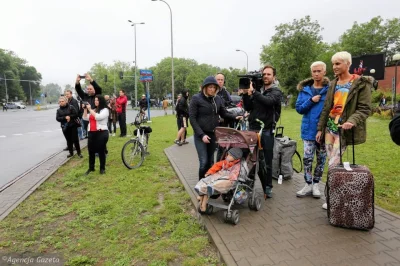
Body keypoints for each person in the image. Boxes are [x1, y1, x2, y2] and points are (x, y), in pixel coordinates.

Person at [316, 51, 372, 210]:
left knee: (334, 163)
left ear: (348, 64)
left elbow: (365, 108)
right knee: (332, 162)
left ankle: (333, 198)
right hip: (330, 129)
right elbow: (327, 107)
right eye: (333, 64)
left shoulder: (360, 83)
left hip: (343, 130)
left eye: (338, 63)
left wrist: (351, 121)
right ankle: (336, 196)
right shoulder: (333, 83)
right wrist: (320, 128)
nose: (334, 67)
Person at [241, 65, 282, 198]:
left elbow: (269, 102)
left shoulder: (275, 91)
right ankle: (249, 185)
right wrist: (246, 95)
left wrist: (254, 93)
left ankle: (268, 187)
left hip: (267, 131)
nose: (265, 76)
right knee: (251, 159)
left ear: (274, 77)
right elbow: (248, 107)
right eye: (264, 74)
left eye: (268, 74)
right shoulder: (257, 91)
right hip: (253, 129)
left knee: (267, 161)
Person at [189, 76, 242, 180]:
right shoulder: (196, 98)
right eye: (210, 87)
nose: (212, 89)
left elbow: (224, 113)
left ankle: (210, 183)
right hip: (201, 135)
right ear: (205, 87)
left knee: (211, 161)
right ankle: (201, 185)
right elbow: (192, 119)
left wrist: (235, 117)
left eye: (214, 87)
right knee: (204, 162)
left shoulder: (217, 99)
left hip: (213, 134)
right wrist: (201, 134)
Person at [295, 61, 329, 198]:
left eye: (319, 71)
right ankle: (308, 184)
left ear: (324, 72)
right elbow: (299, 109)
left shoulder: (330, 90)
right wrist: (311, 101)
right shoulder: (305, 90)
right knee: (307, 159)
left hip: (324, 132)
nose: (316, 74)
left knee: (321, 160)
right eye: (314, 71)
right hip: (308, 131)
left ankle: (316, 184)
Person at [194, 148, 242, 213]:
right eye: (228, 154)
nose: (227, 156)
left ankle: (207, 192)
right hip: (220, 176)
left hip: (228, 179)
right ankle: (201, 187)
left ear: (236, 158)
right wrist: (209, 172)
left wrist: (231, 176)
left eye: (230, 156)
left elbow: (234, 175)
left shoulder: (237, 166)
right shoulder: (225, 162)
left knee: (221, 182)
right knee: (209, 179)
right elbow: (216, 165)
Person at [82, 95, 109, 175]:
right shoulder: (93, 109)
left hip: (101, 132)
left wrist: (90, 109)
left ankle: (102, 168)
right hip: (91, 132)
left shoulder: (105, 110)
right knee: (91, 151)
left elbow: (98, 117)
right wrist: (85, 110)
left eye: (97, 100)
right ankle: (91, 168)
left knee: (101, 151)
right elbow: (85, 118)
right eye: (95, 100)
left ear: (101, 101)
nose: (96, 101)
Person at [75, 73, 102, 138]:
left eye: (91, 89)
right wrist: (77, 82)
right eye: (88, 89)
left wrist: (91, 80)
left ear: (94, 90)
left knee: (97, 135)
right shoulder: (85, 96)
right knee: (89, 135)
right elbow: (78, 90)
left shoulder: (97, 95)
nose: (89, 90)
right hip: (86, 118)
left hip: (95, 117)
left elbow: (98, 88)